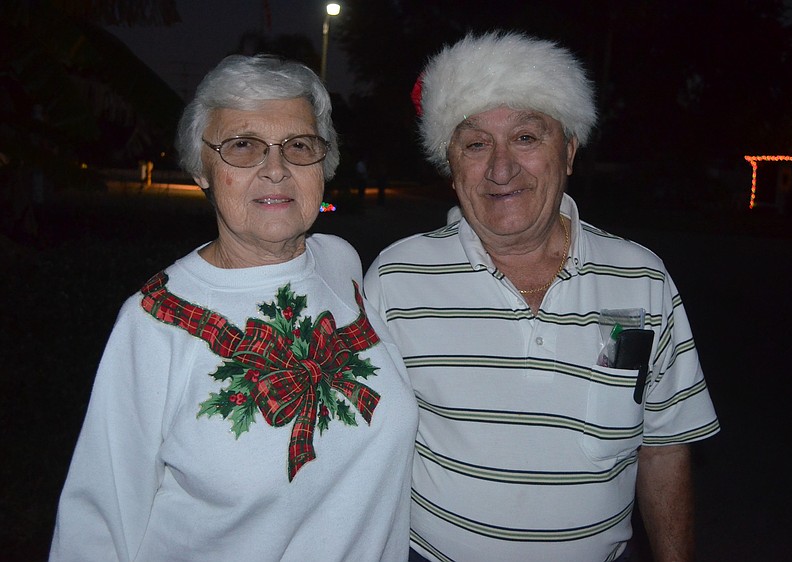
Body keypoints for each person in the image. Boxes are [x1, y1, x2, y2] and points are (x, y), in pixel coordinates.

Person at [364, 32, 719, 562]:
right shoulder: (395, 279)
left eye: (526, 137)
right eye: (476, 144)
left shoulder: (642, 278)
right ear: (450, 165)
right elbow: (360, 449)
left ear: (569, 150)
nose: (501, 169)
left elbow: (664, 448)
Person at [50, 55, 418, 561]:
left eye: (299, 145)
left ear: (323, 163)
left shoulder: (340, 263)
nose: (276, 169)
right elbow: (97, 522)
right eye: (242, 146)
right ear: (202, 169)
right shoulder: (155, 321)